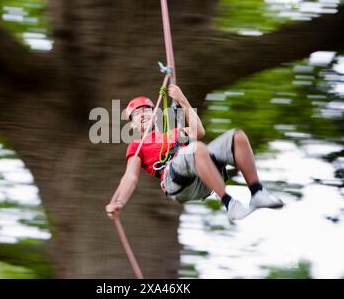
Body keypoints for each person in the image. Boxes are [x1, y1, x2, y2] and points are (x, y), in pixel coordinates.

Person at [105, 84, 283, 221]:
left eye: (147, 110)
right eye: (137, 114)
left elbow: (199, 132)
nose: (143, 114)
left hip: (200, 173)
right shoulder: (137, 145)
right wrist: (119, 201)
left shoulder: (173, 133)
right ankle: (229, 204)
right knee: (196, 149)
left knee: (237, 137)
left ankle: (257, 193)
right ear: (132, 124)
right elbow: (130, 177)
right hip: (174, 181)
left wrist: (182, 100)